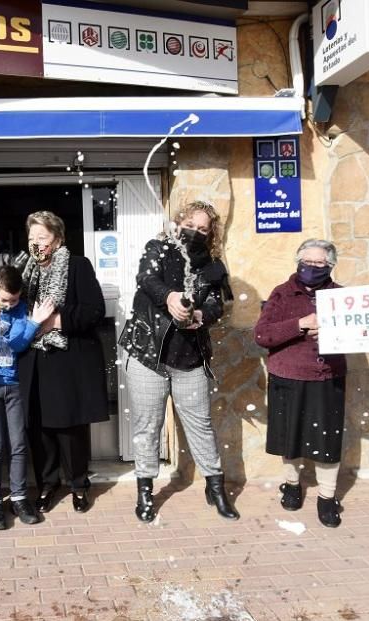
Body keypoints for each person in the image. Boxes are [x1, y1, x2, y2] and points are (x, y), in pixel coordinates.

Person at [119, 202, 239, 523]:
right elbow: (146, 278)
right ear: (178, 222)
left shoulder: (212, 265)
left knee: (200, 424)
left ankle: (215, 487)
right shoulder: (158, 247)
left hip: (190, 357)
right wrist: (170, 297)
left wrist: (202, 313)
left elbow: (217, 303)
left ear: (211, 233)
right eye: (190, 225)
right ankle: (145, 490)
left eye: (203, 229)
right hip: (148, 353)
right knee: (148, 427)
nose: (195, 233)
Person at [19, 211, 108, 513]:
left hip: (66, 360)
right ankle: (47, 485)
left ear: (57, 239)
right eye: (32, 239)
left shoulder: (77, 265)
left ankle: (79, 485)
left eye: (42, 239)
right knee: (39, 429)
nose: (36, 245)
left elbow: (95, 309)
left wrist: (56, 321)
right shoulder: (24, 271)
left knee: (70, 429)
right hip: (33, 360)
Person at [254, 239, 347, 528]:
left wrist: (332, 334)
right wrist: (300, 324)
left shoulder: (343, 296)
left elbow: (361, 334)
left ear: (330, 266)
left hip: (327, 377)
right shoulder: (281, 294)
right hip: (287, 377)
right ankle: (292, 486)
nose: (312, 267)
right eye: (308, 261)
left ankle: (327, 498)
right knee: (289, 437)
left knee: (327, 441)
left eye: (320, 263)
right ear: (298, 261)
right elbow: (262, 335)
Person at [0, 266, 55, 529]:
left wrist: (32, 322)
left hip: (15, 385)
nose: (8, 304)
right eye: (4, 299)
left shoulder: (20, 308)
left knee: (18, 444)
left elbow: (18, 345)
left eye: (14, 300)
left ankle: (18, 497)